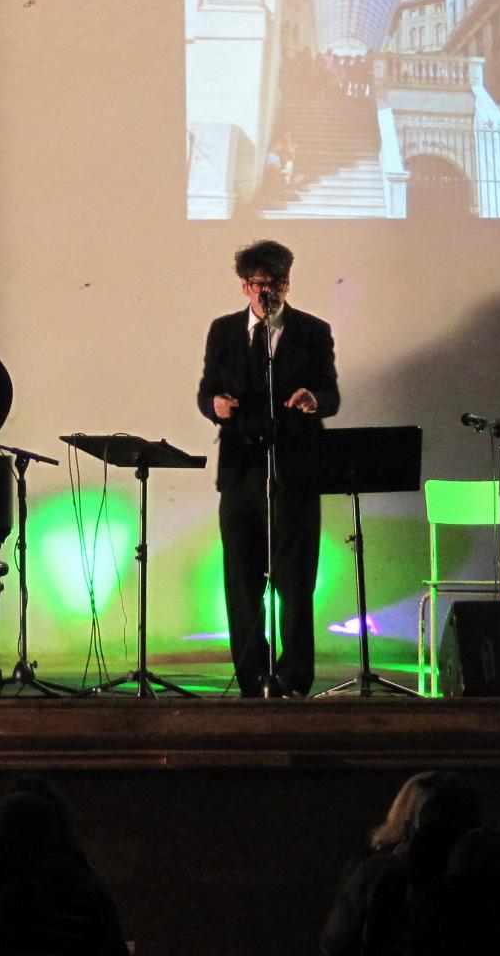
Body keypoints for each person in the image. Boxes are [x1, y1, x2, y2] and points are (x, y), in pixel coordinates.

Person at [197, 239, 338, 697]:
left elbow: (331, 394)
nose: (267, 291)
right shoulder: (223, 331)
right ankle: (252, 676)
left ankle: (293, 677)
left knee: (295, 581)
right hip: (241, 471)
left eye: (276, 283)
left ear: (287, 284)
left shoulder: (312, 331)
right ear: (245, 286)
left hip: (294, 471)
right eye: (259, 284)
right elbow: (206, 392)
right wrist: (215, 406)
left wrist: (315, 400)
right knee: (242, 580)